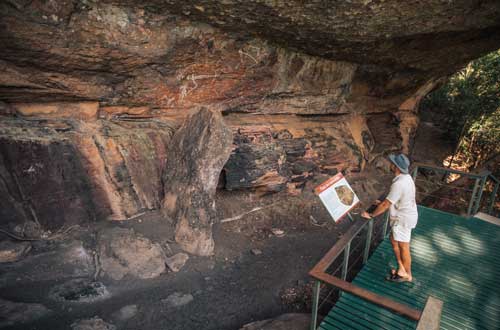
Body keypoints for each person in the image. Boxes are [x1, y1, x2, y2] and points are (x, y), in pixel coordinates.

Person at [361, 153, 418, 283]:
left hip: (403, 219)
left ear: (396, 166)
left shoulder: (399, 183)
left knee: (404, 246)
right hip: (406, 214)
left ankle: (406, 274)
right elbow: (392, 199)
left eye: (392, 163)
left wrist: (371, 215)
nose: (390, 164)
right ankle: (401, 268)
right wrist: (381, 203)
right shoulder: (406, 178)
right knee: (394, 240)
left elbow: (386, 204)